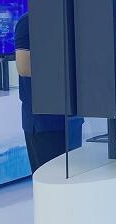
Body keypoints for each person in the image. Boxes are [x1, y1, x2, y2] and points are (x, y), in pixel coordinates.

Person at [14, 12, 82, 173]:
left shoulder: (70, 18)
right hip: (43, 120)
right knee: (49, 176)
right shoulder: (28, 22)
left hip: (71, 116)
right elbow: (24, 67)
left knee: (74, 175)